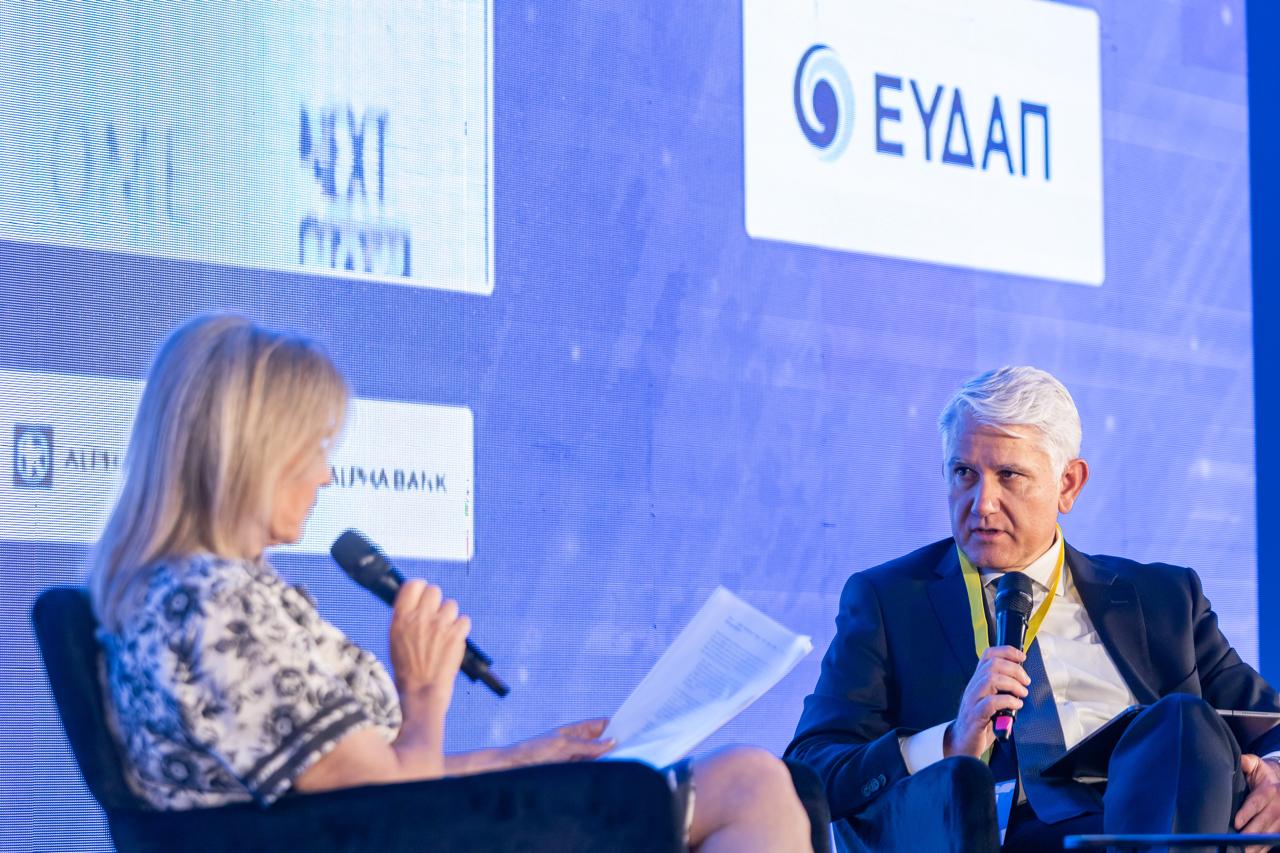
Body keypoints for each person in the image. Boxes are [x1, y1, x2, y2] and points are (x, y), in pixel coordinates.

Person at [91, 313, 811, 853]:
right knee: (748, 783)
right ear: (251, 454)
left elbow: (364, 778)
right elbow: (383, 814)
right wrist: (425, 691)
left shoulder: (196, 595)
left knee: (750, 782)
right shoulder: (216, 608)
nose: (326, 475)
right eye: (313, 448)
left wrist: (518, 758)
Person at [787, 366, 1280, 852]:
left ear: (1068, 484)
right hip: (1003, 835)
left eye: (1009, 475)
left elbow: (1268, 721)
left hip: (1153, 820)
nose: (982, 503)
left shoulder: (1165, 597)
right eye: (964, 473)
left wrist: (1276, 773)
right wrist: (949, 742)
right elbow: (811, 769)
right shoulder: (890, 600)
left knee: (1180, 719)